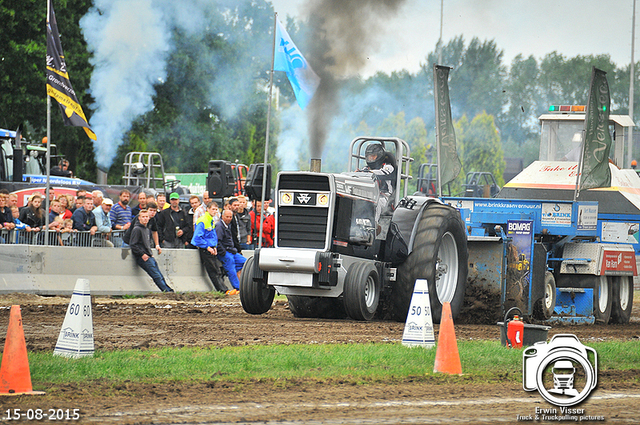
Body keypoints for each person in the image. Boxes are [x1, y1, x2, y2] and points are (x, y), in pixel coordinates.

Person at [129, 209, 173, 293]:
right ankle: (166, 291)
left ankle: (169, 290)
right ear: (139, 218)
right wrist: (142, 254)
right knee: (156, 275)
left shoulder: (146, 229)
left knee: (159, 275)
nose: (145, 219)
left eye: (146, 217)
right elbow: (133, 244)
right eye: (143, 217)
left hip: (149, 255)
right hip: (143, 257)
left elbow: (146, 243)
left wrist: (150, 253)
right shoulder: (137, 229)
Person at [191, 201, 229, 294]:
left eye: (216, 209)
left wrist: (214, 246)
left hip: (211, 248)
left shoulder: (210, 220)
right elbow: (197, 238)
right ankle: (223, 290)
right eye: (213, 209)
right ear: (207, 209)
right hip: (205, 249)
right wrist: (208, 247)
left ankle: (224, 289)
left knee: (218, 270)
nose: (215, 211)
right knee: (214, 271)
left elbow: (212, 236)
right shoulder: (203, 220)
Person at [359, 143, 397, 219]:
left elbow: (380, 174)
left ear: (379, 156)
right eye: (369, 157)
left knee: (376, 203)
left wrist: (365, 174)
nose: (370, 159)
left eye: (373, 156)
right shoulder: (365, 169)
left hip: (384, 197)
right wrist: (358, 173)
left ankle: (375, 226)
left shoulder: (388, 167)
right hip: (368, 195)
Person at [216, 209, 246, 292]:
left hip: (232, 251)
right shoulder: (219, 226)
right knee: (230, 266)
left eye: (230, 217)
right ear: (222, 217)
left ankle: (235, 270)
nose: (229, 219)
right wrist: (223, 253)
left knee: (245, 262)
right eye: (227, 217)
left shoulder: (228, 225)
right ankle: (238, 288)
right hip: (225, 252)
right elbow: (217, 241)